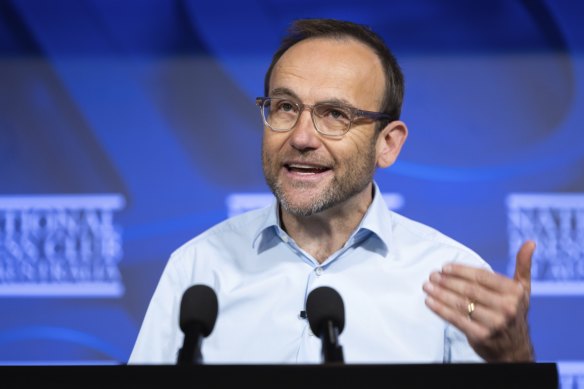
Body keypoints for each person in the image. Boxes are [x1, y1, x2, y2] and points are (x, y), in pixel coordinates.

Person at [128, 18, 535, 364]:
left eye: (335, 114)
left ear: (388, 144)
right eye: (285, 107)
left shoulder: (453, 280)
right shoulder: (198, 268)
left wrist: (515, 360)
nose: (302, 137)